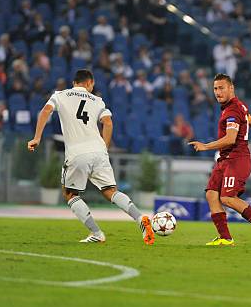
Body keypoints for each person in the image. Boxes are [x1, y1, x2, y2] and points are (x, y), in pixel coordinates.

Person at [27, 69, 155, 244]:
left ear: (74, 83)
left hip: (77, 153)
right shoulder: (97, 100)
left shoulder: (60, 95)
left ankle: (96, 233)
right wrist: (105, 147)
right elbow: (108, 122)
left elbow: (45, 111)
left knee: (70, 194)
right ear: (89, 83)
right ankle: (140, 219)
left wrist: (36, 137)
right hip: (99, 151)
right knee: (111, 191)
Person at [189, 73, 251, 246]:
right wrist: (248, 120)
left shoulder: (233, 110)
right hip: (225, 159)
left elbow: (230, 139)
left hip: (237, 159)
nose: (218, 92)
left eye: (221, 88)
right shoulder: (237, 107)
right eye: (215, 88)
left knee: (227, 198)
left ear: (231, 88)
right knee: (212, 194)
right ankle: (225, 238)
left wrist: (205, 146)